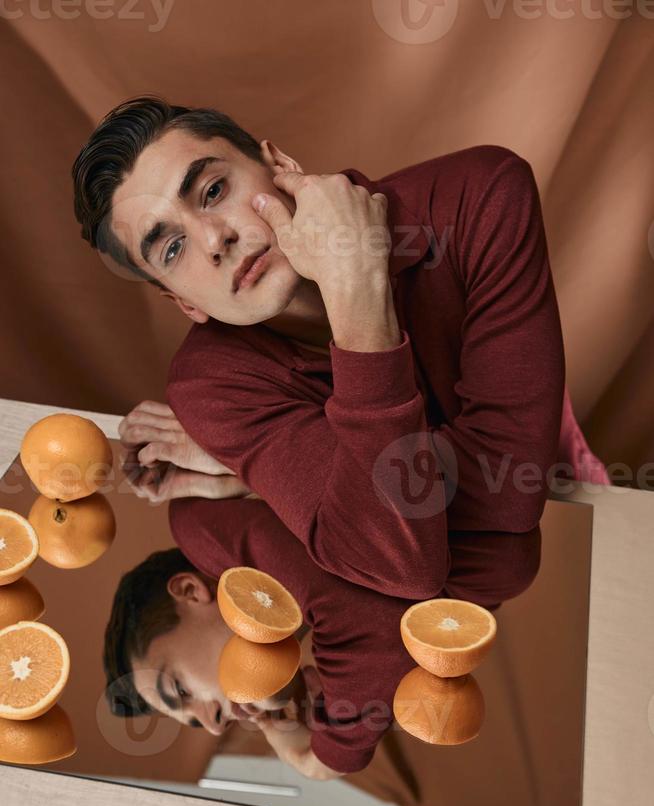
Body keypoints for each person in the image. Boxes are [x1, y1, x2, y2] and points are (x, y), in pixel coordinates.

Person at [71, 95, 611, 601]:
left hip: (583, 518)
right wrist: (304, 489)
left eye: (213, 191)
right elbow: (402, 562)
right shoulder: (208, 385)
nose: (215, 240)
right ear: (183, 302)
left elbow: (512, 492)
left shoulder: (480, 195)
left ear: (279, 164)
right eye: (172, 246)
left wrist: (354, 281)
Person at [103, 491, 542, 780]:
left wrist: (323, 758)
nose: (214, 719)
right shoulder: (319, 610)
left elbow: (368, 627)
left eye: (179, 688)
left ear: (188, 591)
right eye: (199, 722)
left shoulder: (202, 523)